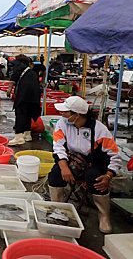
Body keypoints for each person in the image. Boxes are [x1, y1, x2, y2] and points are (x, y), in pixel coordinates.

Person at [48, 96, 120, 234]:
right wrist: (64, 168)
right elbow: (58, 147)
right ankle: (58, 209)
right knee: (56, 173)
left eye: (65, 112)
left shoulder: (100, 130)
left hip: (95, 162)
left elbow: (115, 155)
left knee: (96, 178)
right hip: (74, 159)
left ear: (77, 115)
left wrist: (109, 175)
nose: (62, 115)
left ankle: (104, 215)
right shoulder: (62, 124)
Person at [6, 55, 42, 145]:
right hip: (33, 97)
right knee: (28, 114)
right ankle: (27, 134)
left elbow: (14, 78)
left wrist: (9, 89)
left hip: (24, 95)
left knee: (20, 113)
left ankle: (18, 137)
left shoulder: (20, 67)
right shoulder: (32, 73)